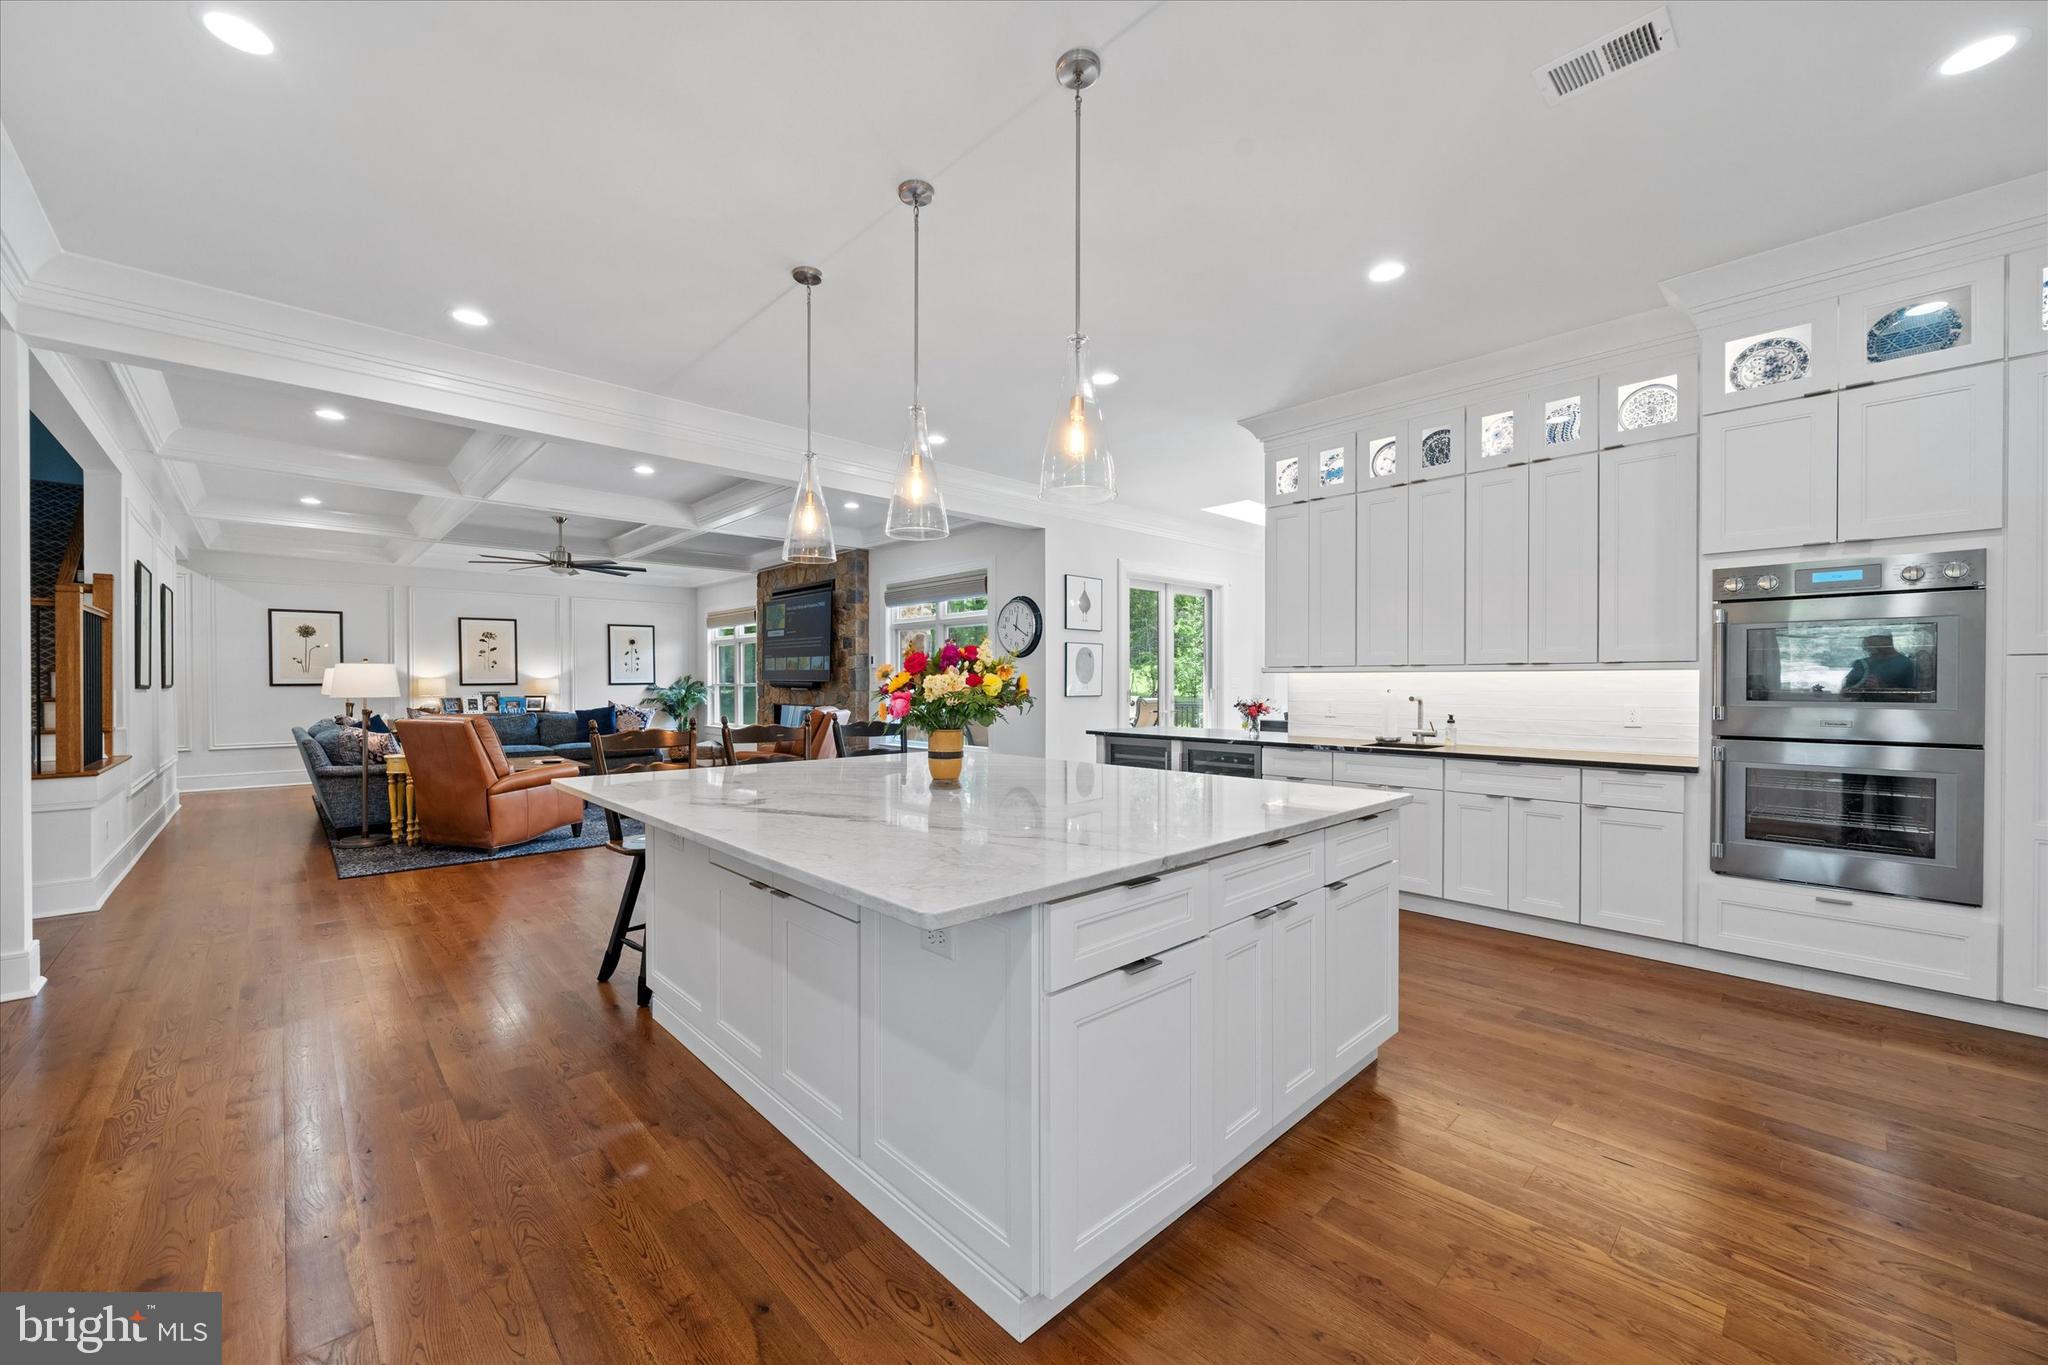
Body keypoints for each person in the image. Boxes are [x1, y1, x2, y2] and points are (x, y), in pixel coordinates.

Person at [1841, 633, 1918, 696]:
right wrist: (1860, 688)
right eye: (1868, 648)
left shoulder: (1906, 663)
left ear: (1887, 642)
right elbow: (1845, 693)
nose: (1869, 650)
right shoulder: (1861, 664)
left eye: (1873, 646)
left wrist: (1881, 689)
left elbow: (1913, 697)